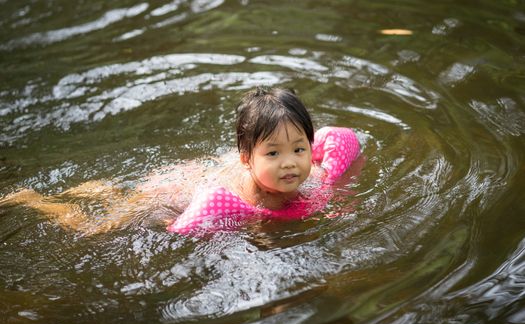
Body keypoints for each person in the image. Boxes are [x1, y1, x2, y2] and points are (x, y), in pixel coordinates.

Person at [1, 87, 361, 235]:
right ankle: (34, 199)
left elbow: (345, 139)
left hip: (198, 173)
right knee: (96, 227)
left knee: (114, 196)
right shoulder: (232, 202)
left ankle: (103, 189)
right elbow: (182, 229)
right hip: (173, 191)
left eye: (299, 149)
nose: (290, 163)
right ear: (247, 160)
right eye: (273, 153)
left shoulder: (314, 173)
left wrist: (340, 188)